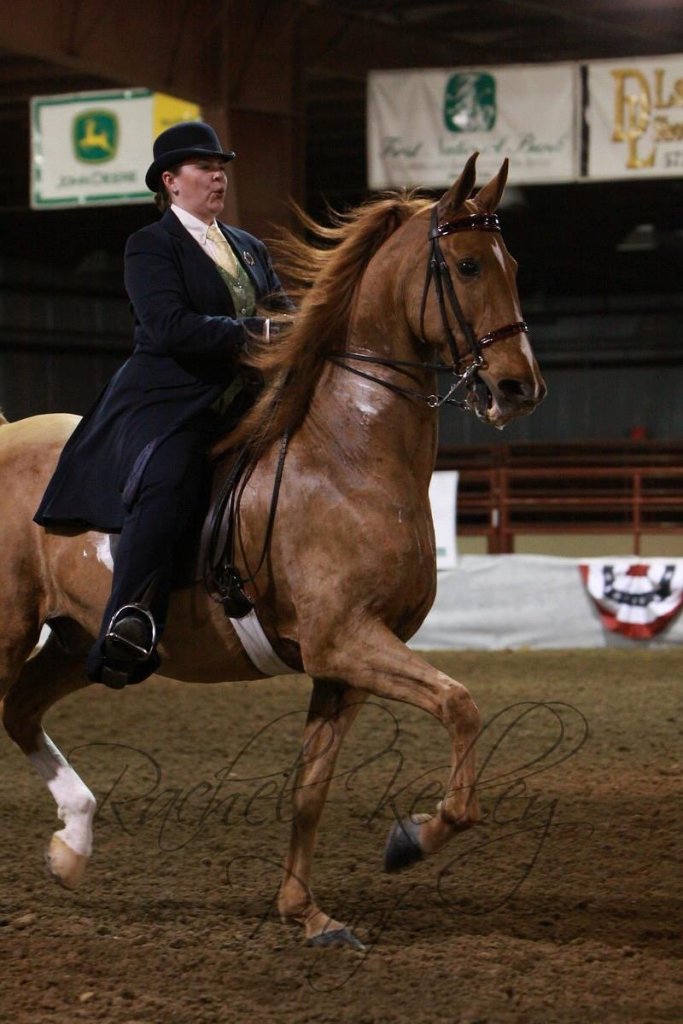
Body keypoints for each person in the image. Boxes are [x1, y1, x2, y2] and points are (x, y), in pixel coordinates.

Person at [34, 121, 290, 689]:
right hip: (170, 401)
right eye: (205, 167)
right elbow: (171, 327)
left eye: (221, 167)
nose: (218, 176)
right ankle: (131, 618)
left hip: (245, 403)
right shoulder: (150, 245)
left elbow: (284, 313)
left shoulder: (249, 248)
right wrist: (263, 333)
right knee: (168, 484)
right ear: (171, 182)